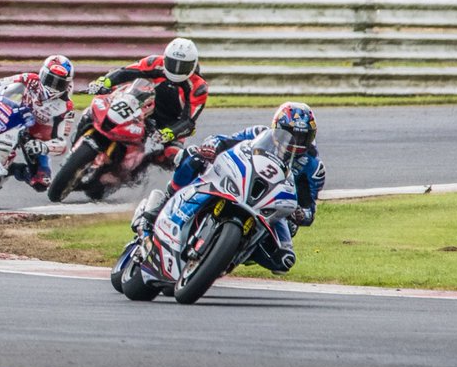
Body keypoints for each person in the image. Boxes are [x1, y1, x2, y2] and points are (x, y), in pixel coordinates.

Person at [137, 101, 324, 273]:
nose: (295, 142)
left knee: (284, 261)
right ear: (276, 128)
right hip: (238, 182)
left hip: (271, 206)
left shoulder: (313, 166)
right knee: (193, 155)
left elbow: (309, 210)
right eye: (289, 134)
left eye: (302, 137)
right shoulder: (259, 133)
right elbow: (224, 141)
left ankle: (231, 255)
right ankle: (164, 202)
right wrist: (211, 146)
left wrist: (301, 214)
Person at [0, 55, 75, 191]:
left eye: (59, 83)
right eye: (50, 79)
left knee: (42, 182)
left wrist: (44, 146)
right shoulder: (30, 79)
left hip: (35, 136)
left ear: (67, 84)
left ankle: (11, 170)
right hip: (14, 115)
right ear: (42, 74)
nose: (53, 86)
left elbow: (61, 143)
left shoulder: (66, 107)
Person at [88, 37, 207, 162]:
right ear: (166, 58)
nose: (177, 69)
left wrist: (170, 132)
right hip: (142, 105)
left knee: (173, 155)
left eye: (183, 65)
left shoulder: (199, 87)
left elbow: (188, 121)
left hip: (169, 123)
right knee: (100, 106)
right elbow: (126, 72)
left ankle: (135, 170)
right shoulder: (155, 62)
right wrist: (104, 81)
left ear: (193, 65)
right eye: (173, 63)